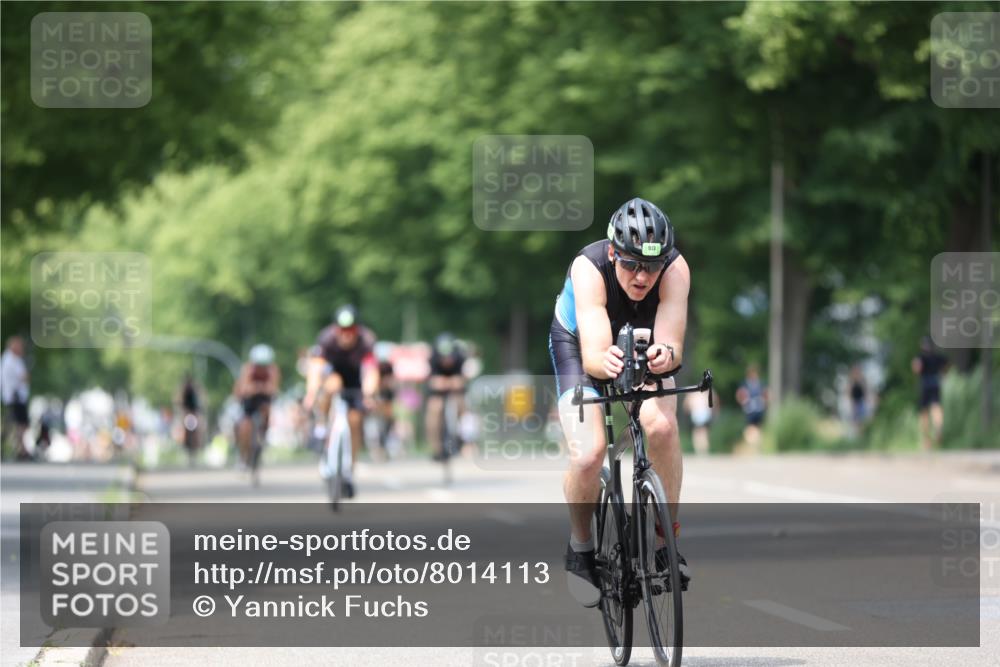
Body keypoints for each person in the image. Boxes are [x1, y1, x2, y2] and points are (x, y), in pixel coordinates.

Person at [549, 197, 690, 605]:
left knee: (661, 426)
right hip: (581, 345)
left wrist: (665, 355)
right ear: (613, 253)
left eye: (652, 265)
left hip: (641, 340)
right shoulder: (588, 268)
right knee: (590, 453)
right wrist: (607, 360)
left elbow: (672, 344)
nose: (642, 276)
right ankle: (580, 548)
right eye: (630, 264)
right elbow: (594, 355)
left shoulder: (676, 270)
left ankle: (666, 542)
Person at [304, 304, 379, 497]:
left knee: (355, 421)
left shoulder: (366, 340)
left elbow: (371, 371)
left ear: (357, 329)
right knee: (332, 385)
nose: (347, 335)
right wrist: (311, 393)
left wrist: (369, 394)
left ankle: (348, 471)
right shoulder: (326, 339)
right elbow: (315, 368)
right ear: (336, 329)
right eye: (342, 331)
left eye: (351, 330)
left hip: (355, 381)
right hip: (334, 375)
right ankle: (322, 425)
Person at [233, 344, 281, 466]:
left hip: (263, 399)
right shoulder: (248, 369)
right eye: (259, 365)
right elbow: (243, 389)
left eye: (264, 365)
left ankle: (263, 433)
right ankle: (243, 455)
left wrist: (258, 388)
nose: (262, 368)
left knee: (267, 410)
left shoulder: (273, 370)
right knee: (244, 426)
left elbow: (273, 388)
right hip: (249, 401)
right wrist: (258, 388)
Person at [425, 332, 468, 461]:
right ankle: (436, 447)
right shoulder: (432, 358)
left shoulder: (460, 357)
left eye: (449, 357)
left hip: (455, 388)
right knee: (434, 410)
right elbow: (432, 381)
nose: (447, 361)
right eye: (444, 358)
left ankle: (464, 438)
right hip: (438, 390)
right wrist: (445, 382)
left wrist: (453, 382)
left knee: (462, 406)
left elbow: (462, 379)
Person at [912, 337, 948, 450]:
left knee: (924, 413)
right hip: (936, 383)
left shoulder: (920, 357)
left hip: (925, 384)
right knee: (936, 407)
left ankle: (926, 441)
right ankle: (938, 427)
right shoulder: (938, 357)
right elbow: (946, 365)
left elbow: (916, 370)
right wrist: (943, 375)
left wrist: (915, 365)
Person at [1, 336, 31, 460]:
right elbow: (22, 376)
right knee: (19, 424)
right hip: (15, 397)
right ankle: (22, 450)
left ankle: (21, 449)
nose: (22, 348)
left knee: (16, 424)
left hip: (16, 397)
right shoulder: (10, 360)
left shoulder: (13, 359)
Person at [735, 364, 767, 451]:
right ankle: (754, 444)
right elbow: (739, 395)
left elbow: (766, 394)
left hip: (758, 409)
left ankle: (755, 445)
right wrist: (743, 402)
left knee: (755, 428)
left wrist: (764, 401)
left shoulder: (760, 383)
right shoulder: (746, 384)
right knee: (750, 428)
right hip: (749, 409)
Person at [683, 387, 717, 456]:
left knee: (697, 432)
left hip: (696, 413)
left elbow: (686, 405)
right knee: (704, 432)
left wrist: (688, 412)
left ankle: (699, 450)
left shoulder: (692, 393)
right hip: (705, 413)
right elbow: (714, 400)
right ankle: (704, 450)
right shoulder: (707, 392)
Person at [847, 365, 869, 439]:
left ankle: (861, 435)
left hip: (861, 401)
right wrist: (850, 402)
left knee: (862, 419)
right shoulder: (851, 380)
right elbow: (849, 392)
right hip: (854, 401)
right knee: (855, 419)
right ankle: (856, 436)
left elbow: (865, 391)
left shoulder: (862, 380)